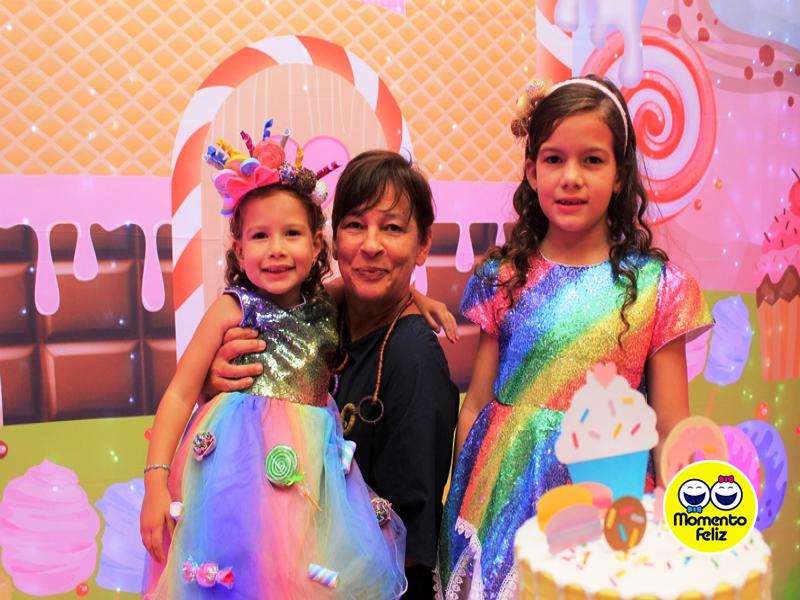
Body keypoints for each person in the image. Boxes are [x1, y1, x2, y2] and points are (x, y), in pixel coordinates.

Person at [434, 76, 713, 599]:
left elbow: (670, 426)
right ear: (531, 170)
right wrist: (459, 503)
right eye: (554, 159)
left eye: (592, 160)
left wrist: (684, 528)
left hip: (606, 498)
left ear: (620, 174)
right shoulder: (504, 278)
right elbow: (475, 407)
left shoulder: (656, 288)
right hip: (502, 497)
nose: (570, 178)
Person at [140, 128, 407, 598]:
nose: (277, 249)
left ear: (317, 245)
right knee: (241, 573)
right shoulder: (232, 308)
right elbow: (181, 393)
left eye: (292, 234)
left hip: (313, 475)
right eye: (260, 236)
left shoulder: (327, 304)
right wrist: (155, 483)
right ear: (239, 249)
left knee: (304, 574)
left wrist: (419, 300)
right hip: (236, 472)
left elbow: (377, 287)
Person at [206, 150, 460, 599]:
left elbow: (406, 537)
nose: (371, 245)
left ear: (423, 245)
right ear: (332, 239)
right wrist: (216, 383)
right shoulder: (315, 321)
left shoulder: (413, 358)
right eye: (355, 225)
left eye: (393, 228)